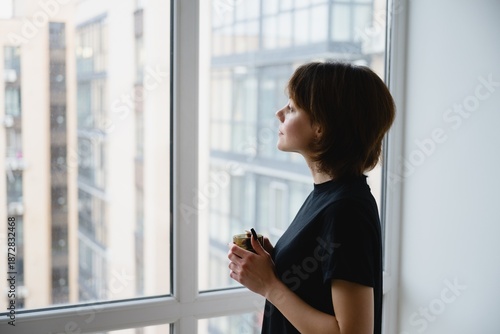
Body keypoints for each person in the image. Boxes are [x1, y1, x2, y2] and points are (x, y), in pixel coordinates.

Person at [227, 61, 396, 334]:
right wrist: (276, 264)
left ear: (321, 126)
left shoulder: (346, 209)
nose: (279, 112)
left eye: (292, 108)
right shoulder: (328, 195)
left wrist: (269, 285)